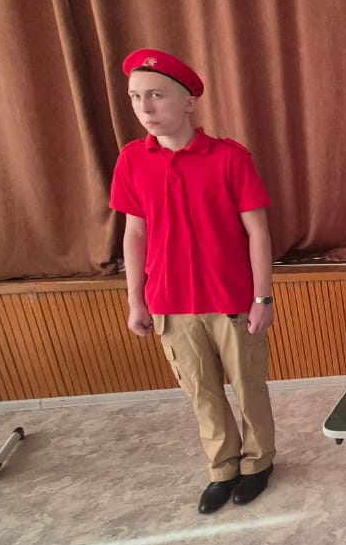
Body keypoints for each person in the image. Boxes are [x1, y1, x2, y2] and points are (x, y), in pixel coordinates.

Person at [109, 48, 277, 514]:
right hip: (170, 301)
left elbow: (258, 231)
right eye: (136, 97)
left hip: (231, 298)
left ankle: (258, 462)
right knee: (201, 391)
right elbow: (135, 234)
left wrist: (262, 296)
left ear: (188, 102)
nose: (145, 107)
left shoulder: (229, 158)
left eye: (157, 95)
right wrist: (136, 300)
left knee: (248, 386)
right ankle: (222, 468)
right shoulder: (132, 160)